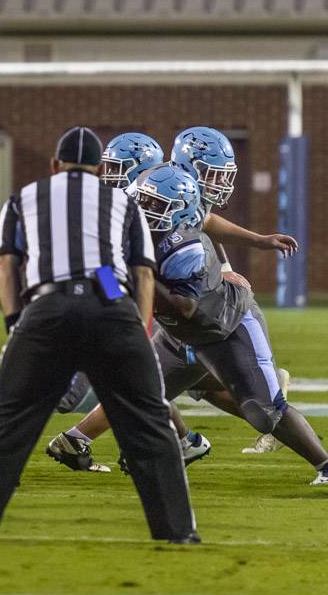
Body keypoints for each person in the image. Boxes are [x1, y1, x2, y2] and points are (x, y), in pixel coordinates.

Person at [0, 127, 197, 543]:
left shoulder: (24, 197)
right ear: (98, 170)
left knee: (8, 421)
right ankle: (179, 532)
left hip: (47, 308)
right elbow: (138, 273)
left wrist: (15, 322)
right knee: (149, 423)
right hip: (112, 309)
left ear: (54, 165)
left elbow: (5, 264)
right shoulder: (122, 203)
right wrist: (138, 331)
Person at [74, 163, 328, 485]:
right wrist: (108, 278)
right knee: (139, 393)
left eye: (157, 204)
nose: (145, 208)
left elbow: (185, 307)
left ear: (179, 212)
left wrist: (140, 276)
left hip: (225, 327)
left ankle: (325, 464)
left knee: (264, 412)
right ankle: (165, 454)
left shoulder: (186, 247)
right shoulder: (130, 223)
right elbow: (118, 291)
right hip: (177, 336)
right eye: (144, 200)